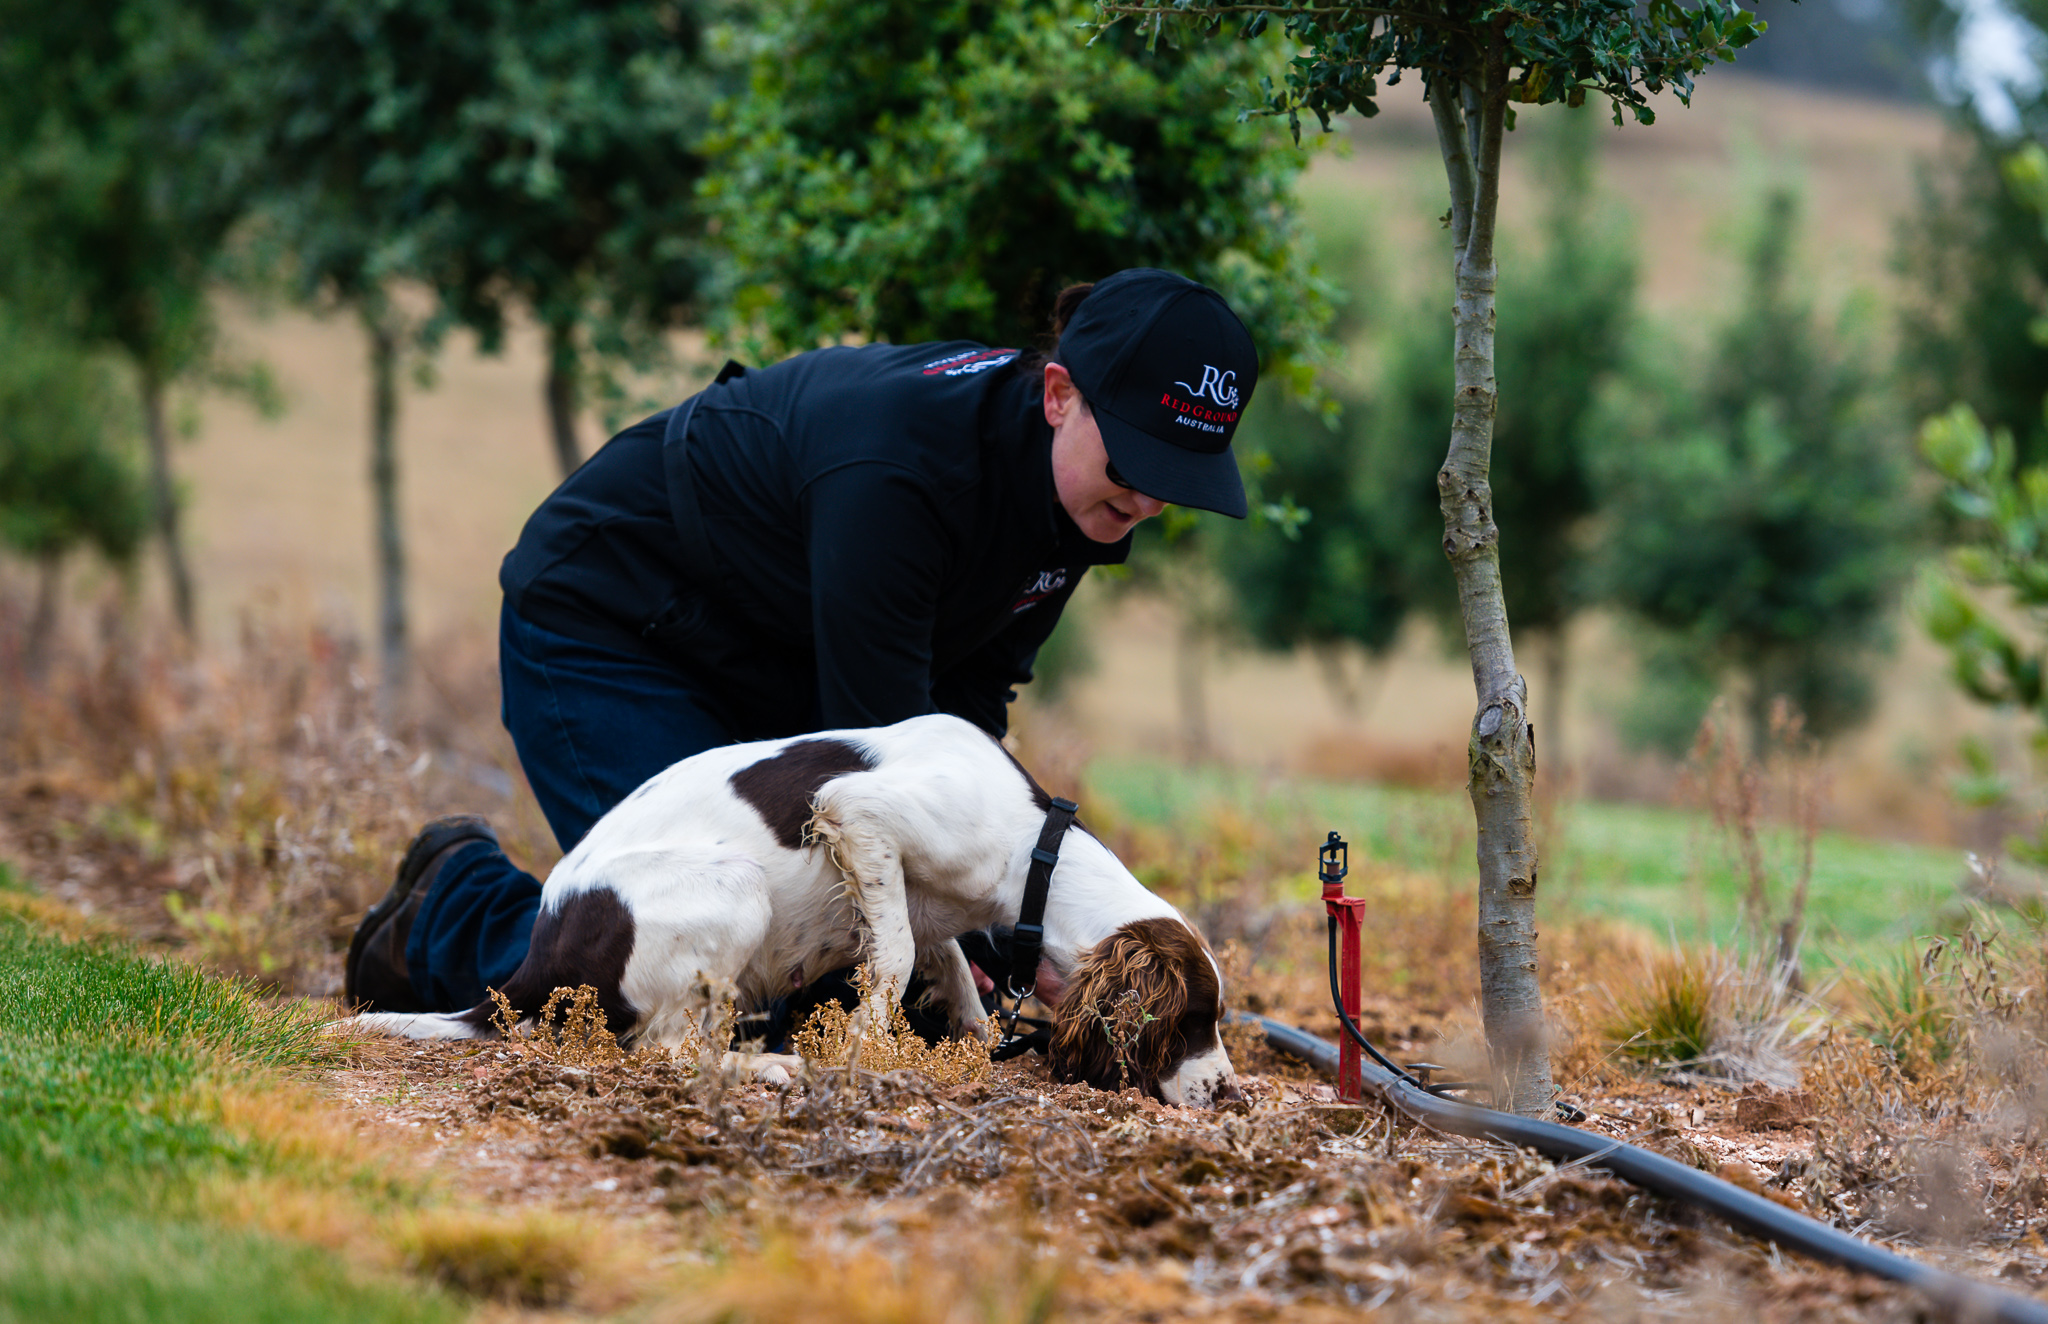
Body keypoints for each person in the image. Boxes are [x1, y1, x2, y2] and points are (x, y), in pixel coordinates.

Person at [342, 267, 1261, 1027]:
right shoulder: (903, 474)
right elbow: (882, 734)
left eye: (1175, 480)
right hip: (611, 623)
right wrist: (992, 942)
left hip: (775, 660)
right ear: (1060, 394)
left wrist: (1004, 940)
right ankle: (447, 906)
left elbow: (962, 717)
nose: (1146, 502)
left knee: (820, 989)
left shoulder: (1072, 503)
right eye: (1136, 464)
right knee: (672, 977)